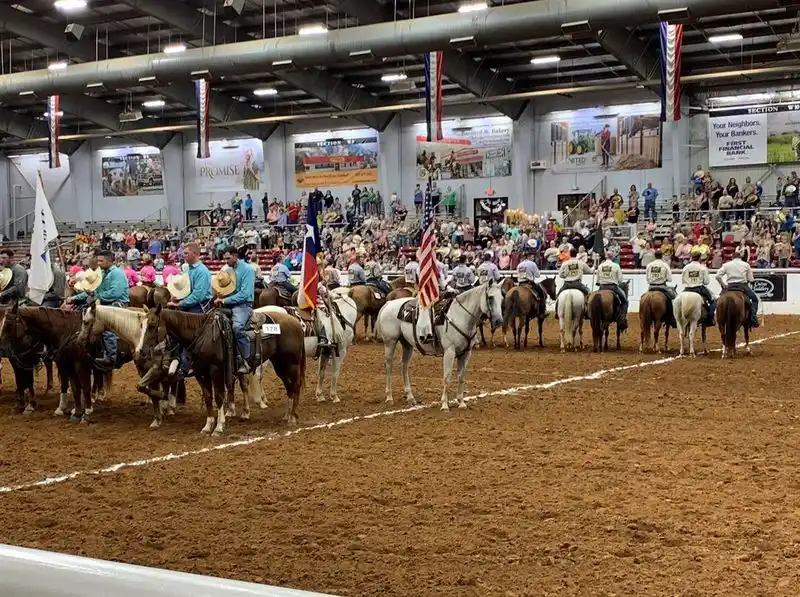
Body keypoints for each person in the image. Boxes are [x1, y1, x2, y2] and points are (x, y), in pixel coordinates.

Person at [67, 250, 129, 368]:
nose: (98, 263)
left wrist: (96, 297)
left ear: (110, 261)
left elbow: (115, 293)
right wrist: (74, 298)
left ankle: (112, 357)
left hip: (118, 303)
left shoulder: (117, 273)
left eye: (101, 261)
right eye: (98, 260)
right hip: (105, 302)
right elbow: (93, 291)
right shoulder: (103, 273)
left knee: (105, 326)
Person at [215, 249, 255, 374]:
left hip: (242, 305)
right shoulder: (227, 270)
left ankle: (245, 360)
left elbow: (245, 294)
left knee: (237, 327)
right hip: (229, 302)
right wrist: (219, 295)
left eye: (228, 258)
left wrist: (225, 300)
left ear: (236, 256)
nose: (226, 261)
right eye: (224, 259)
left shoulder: (248, 270)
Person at [715, 250, 760, 329]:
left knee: (718, 300)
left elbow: (717, 276)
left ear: (732, 257)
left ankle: (717, 317)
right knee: (754, 299)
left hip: (730, 286)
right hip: (742, 286)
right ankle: (753, 318)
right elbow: (751, 279)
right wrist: (751, 282)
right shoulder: (746, 265)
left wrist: (723, 285)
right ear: (740, 257)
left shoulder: (727, 265)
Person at [596, 251, 628, 331]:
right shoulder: (616, 266)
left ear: (606, 257)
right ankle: (622, 318)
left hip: (602, 287)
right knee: (625, 301)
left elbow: (598, 281)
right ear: (612, 257)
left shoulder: (600, 266)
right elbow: (620, 280)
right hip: (613, 287)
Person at [681, 252, 715, 327]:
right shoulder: (702, 267)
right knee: (713, 300)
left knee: (678, 301)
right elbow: (706, 282)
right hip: (699, 289)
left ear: (691, 258)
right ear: (699, 258)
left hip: (687, 289)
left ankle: (676, 318)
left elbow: (683, 280)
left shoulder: (686, 267)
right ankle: (710, 319)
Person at [645, 250, 676, 326]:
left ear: (654, 256)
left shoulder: (649, 265)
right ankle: (671, 318)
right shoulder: (665, 265)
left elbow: (647, 279)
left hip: (651, 287)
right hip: (662, 286)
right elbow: (670, 279)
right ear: (662, 256)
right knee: (673, 298)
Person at [516, 250, 546, 316]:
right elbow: (538, 275)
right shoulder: (532, 263)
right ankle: (542, 311)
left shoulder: (519, 265)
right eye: (532, 256)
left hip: (520, 284)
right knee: (541, 293)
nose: (533, 258)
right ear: (529, 256)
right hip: (529, 283)